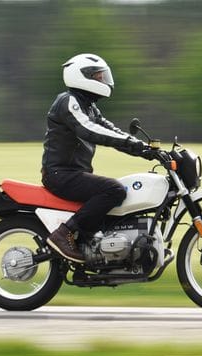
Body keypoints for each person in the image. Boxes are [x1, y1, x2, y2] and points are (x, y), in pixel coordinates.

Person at [41, 53, 152, 263]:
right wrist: (134, 144)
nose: (103, 81)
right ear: (81, 76)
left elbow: (110, 130)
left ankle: (95, 245)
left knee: (115, 198)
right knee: (115, 189)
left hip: (74, 174)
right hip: (60, 174)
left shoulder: (89, 106)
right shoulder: (68, 101)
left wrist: (145, 150)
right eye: (99, 77)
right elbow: (89, 130)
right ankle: (64, 233)